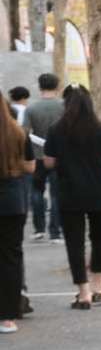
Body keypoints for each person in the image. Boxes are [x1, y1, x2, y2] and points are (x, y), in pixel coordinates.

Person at [41, 87, 101, 309]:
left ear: (65, 104)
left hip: (69, 193)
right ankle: (98, 286)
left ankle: (83, 293)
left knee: (75, 242)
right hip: (99, 193)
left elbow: (49, 162)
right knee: (99, 238)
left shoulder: (55, 130)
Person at [0, 100, 32, 335]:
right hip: (12, 201)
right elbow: (30, 167)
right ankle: (8, 316)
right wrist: (13, 164)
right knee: (11, 258)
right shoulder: (19, 132)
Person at [23, 73, 63, 243]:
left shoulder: (31, 108)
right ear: (57, 86)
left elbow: (25, 133)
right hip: (59, 156)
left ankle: (39, 229)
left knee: (36, 191)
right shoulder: (64, 106)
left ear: (40, 87)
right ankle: (55, 232)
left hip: (38, 155)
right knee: (56, 194)